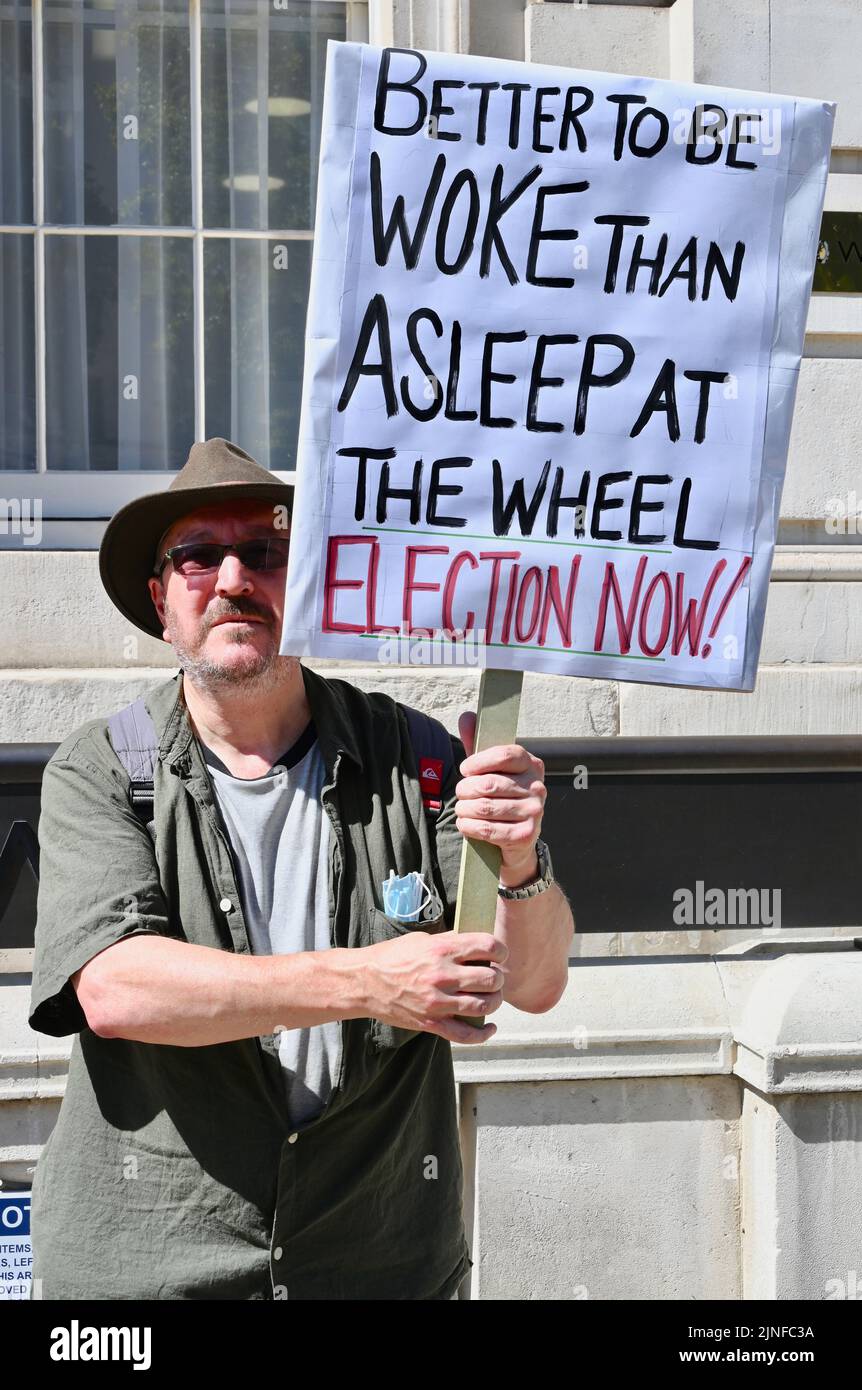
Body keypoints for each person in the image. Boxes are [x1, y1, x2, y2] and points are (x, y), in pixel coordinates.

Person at [28, 437, 574, 1301]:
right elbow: (118, 992)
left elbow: (533, 983)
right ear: (161, 600)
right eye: (199, 555)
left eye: (268, 553)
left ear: (311, 581)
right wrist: (369, 981)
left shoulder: (419, 758)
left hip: (379, 1264)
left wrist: (517, 860)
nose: (236, 579)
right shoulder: (101, 769)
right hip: (154, 1277)